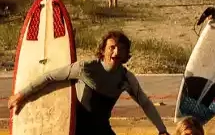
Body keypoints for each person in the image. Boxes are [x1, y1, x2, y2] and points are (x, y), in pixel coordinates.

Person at [7, 31, 169, 135]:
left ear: (127, 53)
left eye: (121, 49)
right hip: (76, 130)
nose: (116, 52)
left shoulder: (126, 78)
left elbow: (145, 103)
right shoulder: (86, 68)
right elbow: (49, 77)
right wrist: (22, 94)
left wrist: (162, 130)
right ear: (103, 50)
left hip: (101, 131)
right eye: (112, 47)